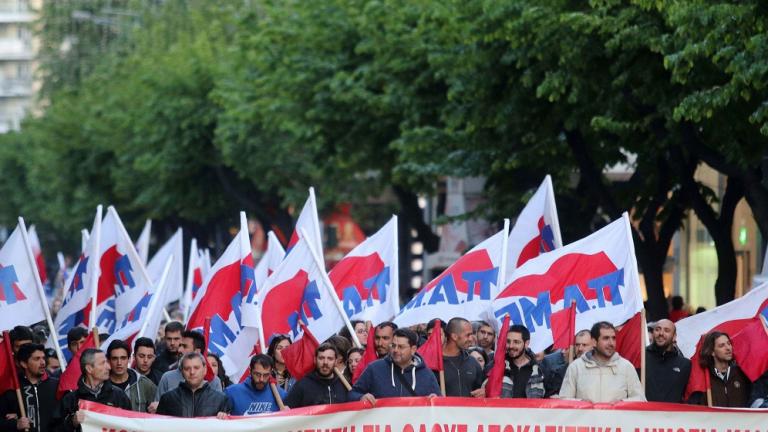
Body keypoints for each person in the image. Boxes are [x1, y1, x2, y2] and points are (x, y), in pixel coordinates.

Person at [558, 322, 645, 403]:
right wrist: (583, 404)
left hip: (616, 419)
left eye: (613, 338)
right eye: (606, 338)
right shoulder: (576, 367)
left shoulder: (626, 367)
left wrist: (621, 404)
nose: (611, 343)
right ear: (594, 342)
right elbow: (564, 401)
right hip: (587, 419)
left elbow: (640, 400)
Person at [350, 328, 440, 405]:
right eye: (393, 345)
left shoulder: (427, 375)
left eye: (401, 347)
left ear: (413, 349)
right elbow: (352, 394)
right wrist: (361, 397)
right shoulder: (374, 369)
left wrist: (436, 400)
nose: (395, 350)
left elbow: (441, 404)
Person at [60, 349, 131, 432]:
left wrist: (122, 418)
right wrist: (72, 422)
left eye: (107, 362)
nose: (109, 367)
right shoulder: (71, 399)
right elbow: (56, 428)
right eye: (102, 363)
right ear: (89, 369)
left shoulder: (118, 395)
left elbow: (132, 426)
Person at [152, 330, 223, 407]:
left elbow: (219, 409)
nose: (179, 350)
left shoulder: (213, 381)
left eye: (185, 346)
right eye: (180, 346)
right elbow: (157, 411)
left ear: (197, 352)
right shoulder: (167, 378)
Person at [0, 343, 60, 432]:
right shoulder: (13, 389)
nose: (43, 362)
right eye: (37, 359)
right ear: (24, 364)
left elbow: (66, 418)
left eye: (43, 358)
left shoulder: (57, 385)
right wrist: (15, 424)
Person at [156, 353, 230, 418]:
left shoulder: (221, 399)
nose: (192, 372)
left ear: (205, 370)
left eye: (196, 368)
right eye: (187, 368)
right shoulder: (167, 398)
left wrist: (224, 419)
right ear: (181, 372)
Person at [690, 331, 750, 407]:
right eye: (722, 346)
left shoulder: (742, 373)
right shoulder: (704, 379)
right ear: (712, 352)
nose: (728, 348)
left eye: (729, 343)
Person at [284, 343, 350, 408]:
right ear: (315, 360)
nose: (325, 362)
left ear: (336, 361)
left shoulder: (344, 384)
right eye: (321, 358)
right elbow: (287, 412)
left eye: (330, 359)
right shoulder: (303, 385)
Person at [492, 325, 546, 399]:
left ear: (526, 344)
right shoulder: (496, 365)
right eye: (508, 341)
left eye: (516, 342)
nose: (511, 346)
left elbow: (548, 400)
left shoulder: (541, 370)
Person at [645, 319, 691, 403]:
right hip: (643, 414)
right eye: (657, 329)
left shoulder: (685, 364)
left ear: (674, 336)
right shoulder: (641, 357)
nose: (661, 333)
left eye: (666, 330)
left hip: (673, 415)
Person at [106, 340, 157, 412]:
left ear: (129, 359)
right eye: (115, 358)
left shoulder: (145, 384)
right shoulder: (101, 385)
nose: (119, 363)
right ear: (108, 360)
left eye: (123, 358)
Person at [540, 330, 594, 397]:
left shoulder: (602, 367)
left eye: (584, 345)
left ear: (593, 345)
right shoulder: (562, 371)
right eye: (577, 345)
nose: (580, 348)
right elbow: (551, 395)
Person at [442, 318, 484, 397]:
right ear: (454, 336)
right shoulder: (434, 363)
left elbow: (480, 388)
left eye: (472, 334)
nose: (471, 339)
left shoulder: (472, 362)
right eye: (468, 335)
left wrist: (483, 392)